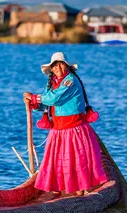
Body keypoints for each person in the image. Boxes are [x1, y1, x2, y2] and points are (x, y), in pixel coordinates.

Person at [23, 52, 107, 196]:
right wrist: (33, 103)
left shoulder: (70, 81)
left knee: (76, 163)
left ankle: (80, 194)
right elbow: (46, 104)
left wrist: (35, 97)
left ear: (67, 66)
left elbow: (54, 98)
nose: (58, 68)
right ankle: (60, 193)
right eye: (55, 65)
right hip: (58, 130)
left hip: (74, 130)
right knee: (58, 163)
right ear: (51, 69)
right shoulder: (52, 83)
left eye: (60, 64)